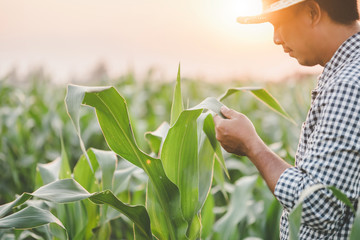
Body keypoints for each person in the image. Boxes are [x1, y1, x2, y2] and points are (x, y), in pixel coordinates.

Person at [213, 0, 360, 239]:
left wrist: (252, 146)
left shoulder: (348, 85)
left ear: (312, 13)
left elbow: (318, 206)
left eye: (278, 24)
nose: (276, 39)